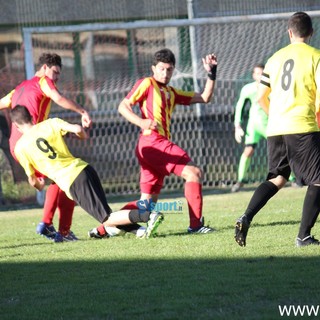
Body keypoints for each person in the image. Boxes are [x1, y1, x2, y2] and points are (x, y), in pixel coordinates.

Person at [10, 105, 163, 241]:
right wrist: (82, 135)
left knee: (106, 218)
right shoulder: (50, 123)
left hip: (72, 180)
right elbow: (77, 129)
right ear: (31, 117)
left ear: (16, 126)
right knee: (107, 215)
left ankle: (148, 216)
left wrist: (39, 185)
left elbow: (32, 180)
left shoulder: (20, 148)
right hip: (84, 168)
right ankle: (140, 231)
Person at [234, 11, 320, 247]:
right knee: (319, 179)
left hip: (276, 127)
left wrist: (277, 116)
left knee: (278, 177)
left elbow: (261, 96)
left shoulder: (274, 59)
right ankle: (303, 236)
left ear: (289, 33)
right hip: (302, 125)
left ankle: (246, 216)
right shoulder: (316, 57)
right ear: (311, 33)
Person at [115, 48, 217, 234]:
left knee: (146, 204)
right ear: (153, 68)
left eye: (169, 69)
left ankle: (105, 226)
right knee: (193, 172)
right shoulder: (146, 83)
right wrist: (141, 121)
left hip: (153, 147)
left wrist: (211, 73)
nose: (165, 73)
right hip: (152, 142)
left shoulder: (171, 92)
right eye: (161, 69)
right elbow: (123, 106)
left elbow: (204, 97)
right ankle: (196, 226)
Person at [0, 53, 92, 242]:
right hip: (32, 142)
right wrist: (81, 110)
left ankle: (49, 225)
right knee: (68, 176)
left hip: (18, 146)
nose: (56, 78)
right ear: (43, 68)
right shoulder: (43, 81)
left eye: (59, 74)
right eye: (55, 72)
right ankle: (58, 229)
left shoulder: (19, 89)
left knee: (59, 180)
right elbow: (57, 98)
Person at [231, 64, 268, 192]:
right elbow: (240, 106)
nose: (260, 75)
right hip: (253, 126)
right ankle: (240, 181)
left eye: (262, 73)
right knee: (248, 151)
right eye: (257, 73)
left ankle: (291, 178)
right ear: (253, 75)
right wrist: (237, 125)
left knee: (281, 150)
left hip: (269, 124)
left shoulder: (271, 87)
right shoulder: (248, 89)